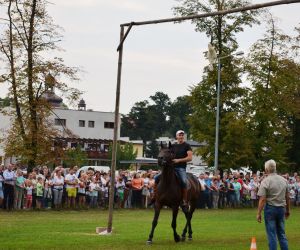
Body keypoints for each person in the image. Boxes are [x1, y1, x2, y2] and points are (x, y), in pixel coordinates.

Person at [152, 130, 192, 212]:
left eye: (182, 135)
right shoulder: (173, 146)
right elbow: (167, 154)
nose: (181, 136)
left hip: (181, 168)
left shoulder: (187, 146)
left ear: (183, 136)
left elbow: (189, 158)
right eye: (179, 135)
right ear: (176, 136)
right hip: (171, 168)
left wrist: (178, 160)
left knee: (184, 182)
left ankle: (184, 201)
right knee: (156, 178)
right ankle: (154, 196)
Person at [256, 159, 290, 250]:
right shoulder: (284, 180)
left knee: (272, 234)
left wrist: (259, 213)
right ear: (275, 168)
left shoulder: (266, 181)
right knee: (282, 234)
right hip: (281, 208)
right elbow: (287, 197)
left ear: (266, 169)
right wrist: (288, 210)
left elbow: (262, 199)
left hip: (270, 209)